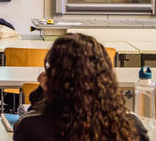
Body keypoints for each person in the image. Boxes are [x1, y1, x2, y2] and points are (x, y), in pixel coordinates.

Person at [13, 33, 149, 141]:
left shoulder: (30, 128)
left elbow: (38, 115)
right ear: (106, 77)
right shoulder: (131, 127)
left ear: (53, 78)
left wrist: (44, 92)